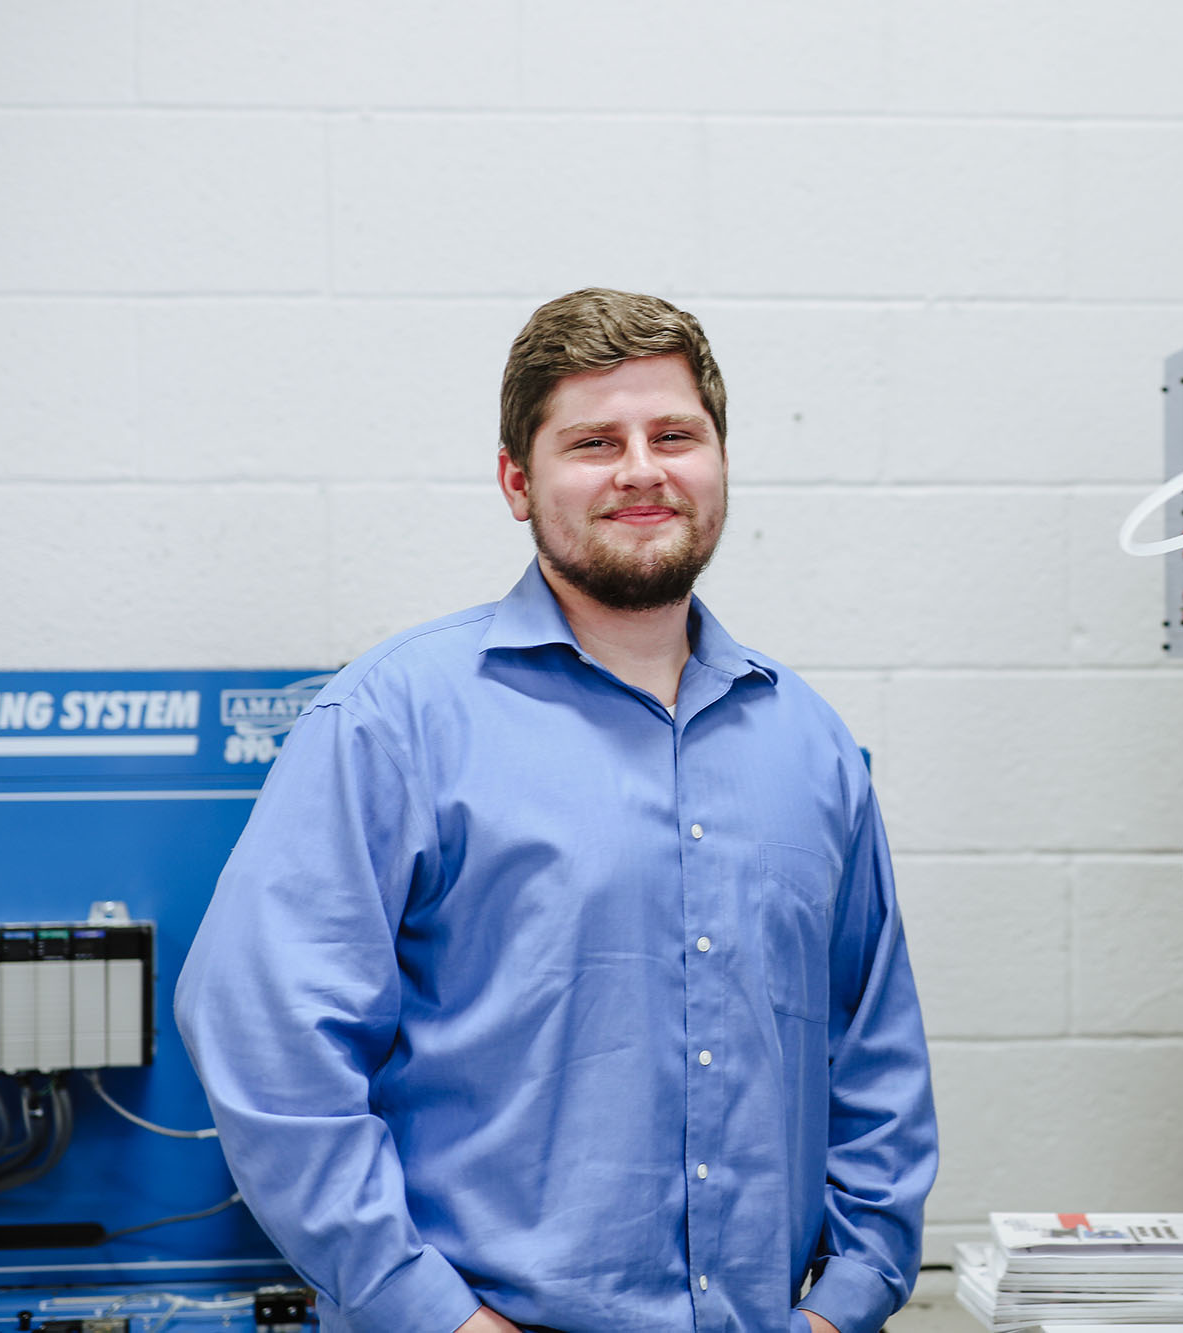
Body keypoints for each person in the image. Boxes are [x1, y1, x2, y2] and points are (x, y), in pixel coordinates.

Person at [176, 289, 938, 1333]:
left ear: (717, 462)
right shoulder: (394, 718)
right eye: (593, 441)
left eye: (674, 434)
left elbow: (874, 1049)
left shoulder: (807, 743)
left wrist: (848, 1298)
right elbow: (265, 1036)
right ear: (516, 482)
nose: (641, 469)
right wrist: (424, 1309)